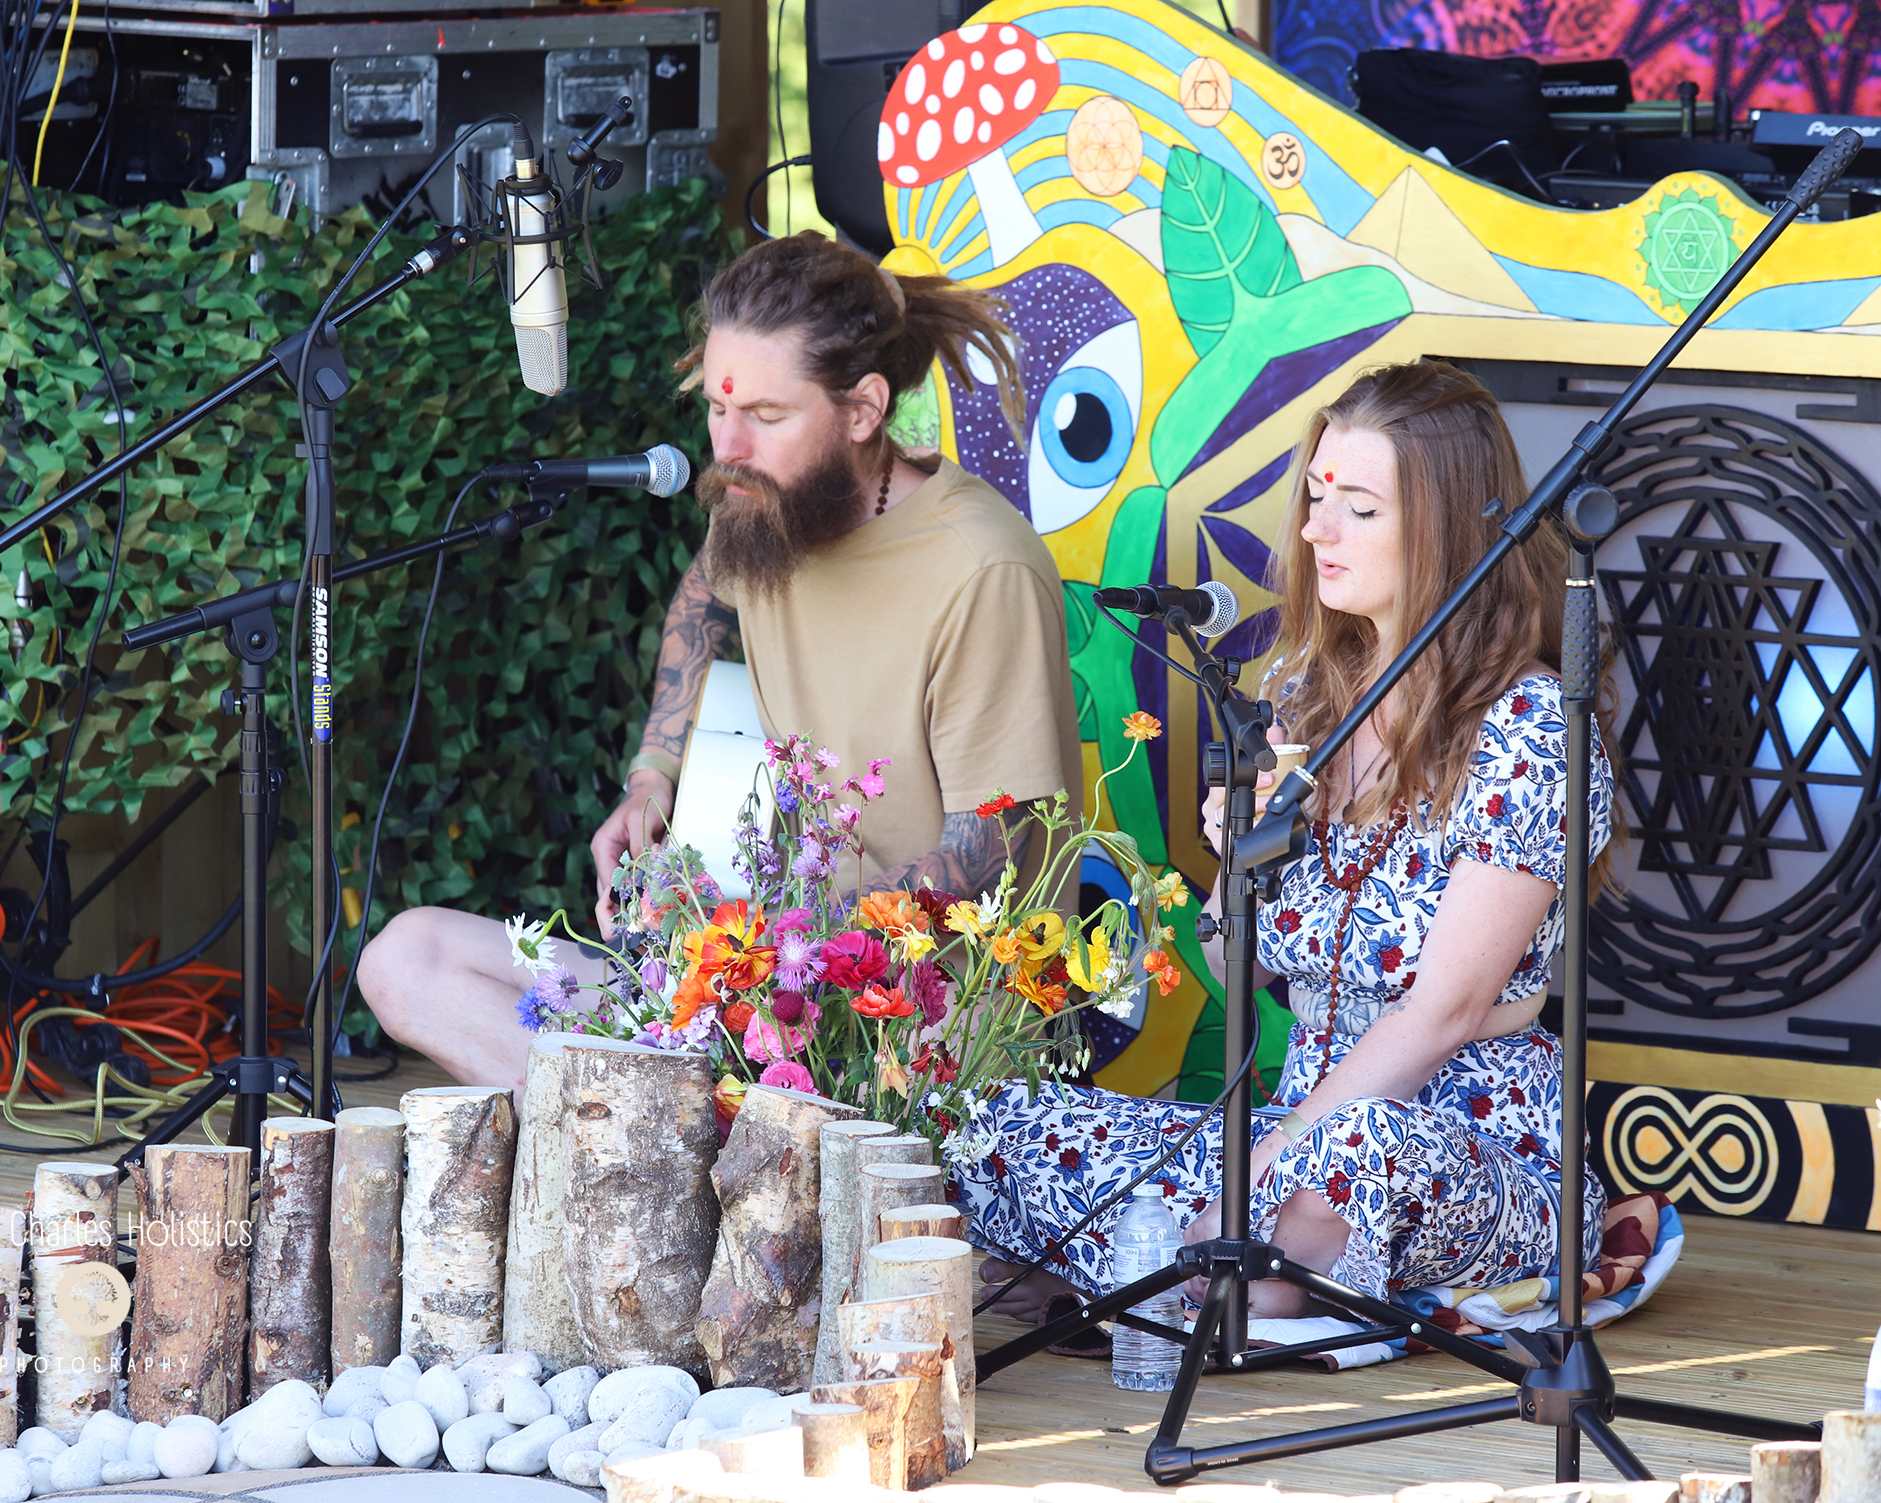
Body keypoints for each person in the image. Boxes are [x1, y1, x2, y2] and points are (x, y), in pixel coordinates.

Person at [953, 359, 1616, 1328]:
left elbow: (1445, 1011)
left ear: (1445, 526)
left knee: (1347, 1157)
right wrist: (1237, 863)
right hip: (1289, 1123)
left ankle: (1182, 1275)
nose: (1315, 530)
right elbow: (1246, 975)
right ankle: (1208, 1275)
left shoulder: (1528, 727)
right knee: (996, 1126)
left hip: (1456, 1141)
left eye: (1358, 508)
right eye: (1314, 497)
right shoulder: (1307, 696)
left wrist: (1261, 1165)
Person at [358, 232, 1084, 1092]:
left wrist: (770, 950)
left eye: (767, 416)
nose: (728, 444)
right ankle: (661, 1120)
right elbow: (703, 596)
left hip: (913, 1043)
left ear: (863, 409)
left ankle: (655, 1120)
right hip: (750, 995)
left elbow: (987, 851)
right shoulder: (768, 504)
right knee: (405, 961)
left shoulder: (980, 568)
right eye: (714, 409)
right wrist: (651, 777)